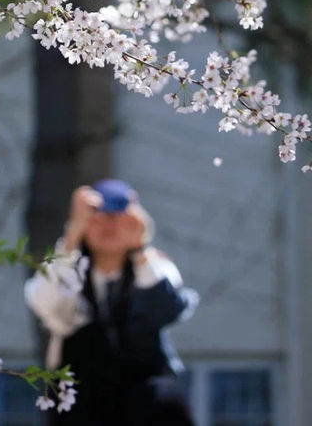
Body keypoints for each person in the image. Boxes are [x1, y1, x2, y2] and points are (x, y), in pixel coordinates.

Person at [25, 180, 198, 425]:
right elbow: (43, 304)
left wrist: (139, 250)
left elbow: (167, 311)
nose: (108, 227)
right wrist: (71, 239)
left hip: (145, 391)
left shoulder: (154, 266)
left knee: (165, 401)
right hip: (83, 393)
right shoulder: (66, 267)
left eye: (117, 219)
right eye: (97, 219)